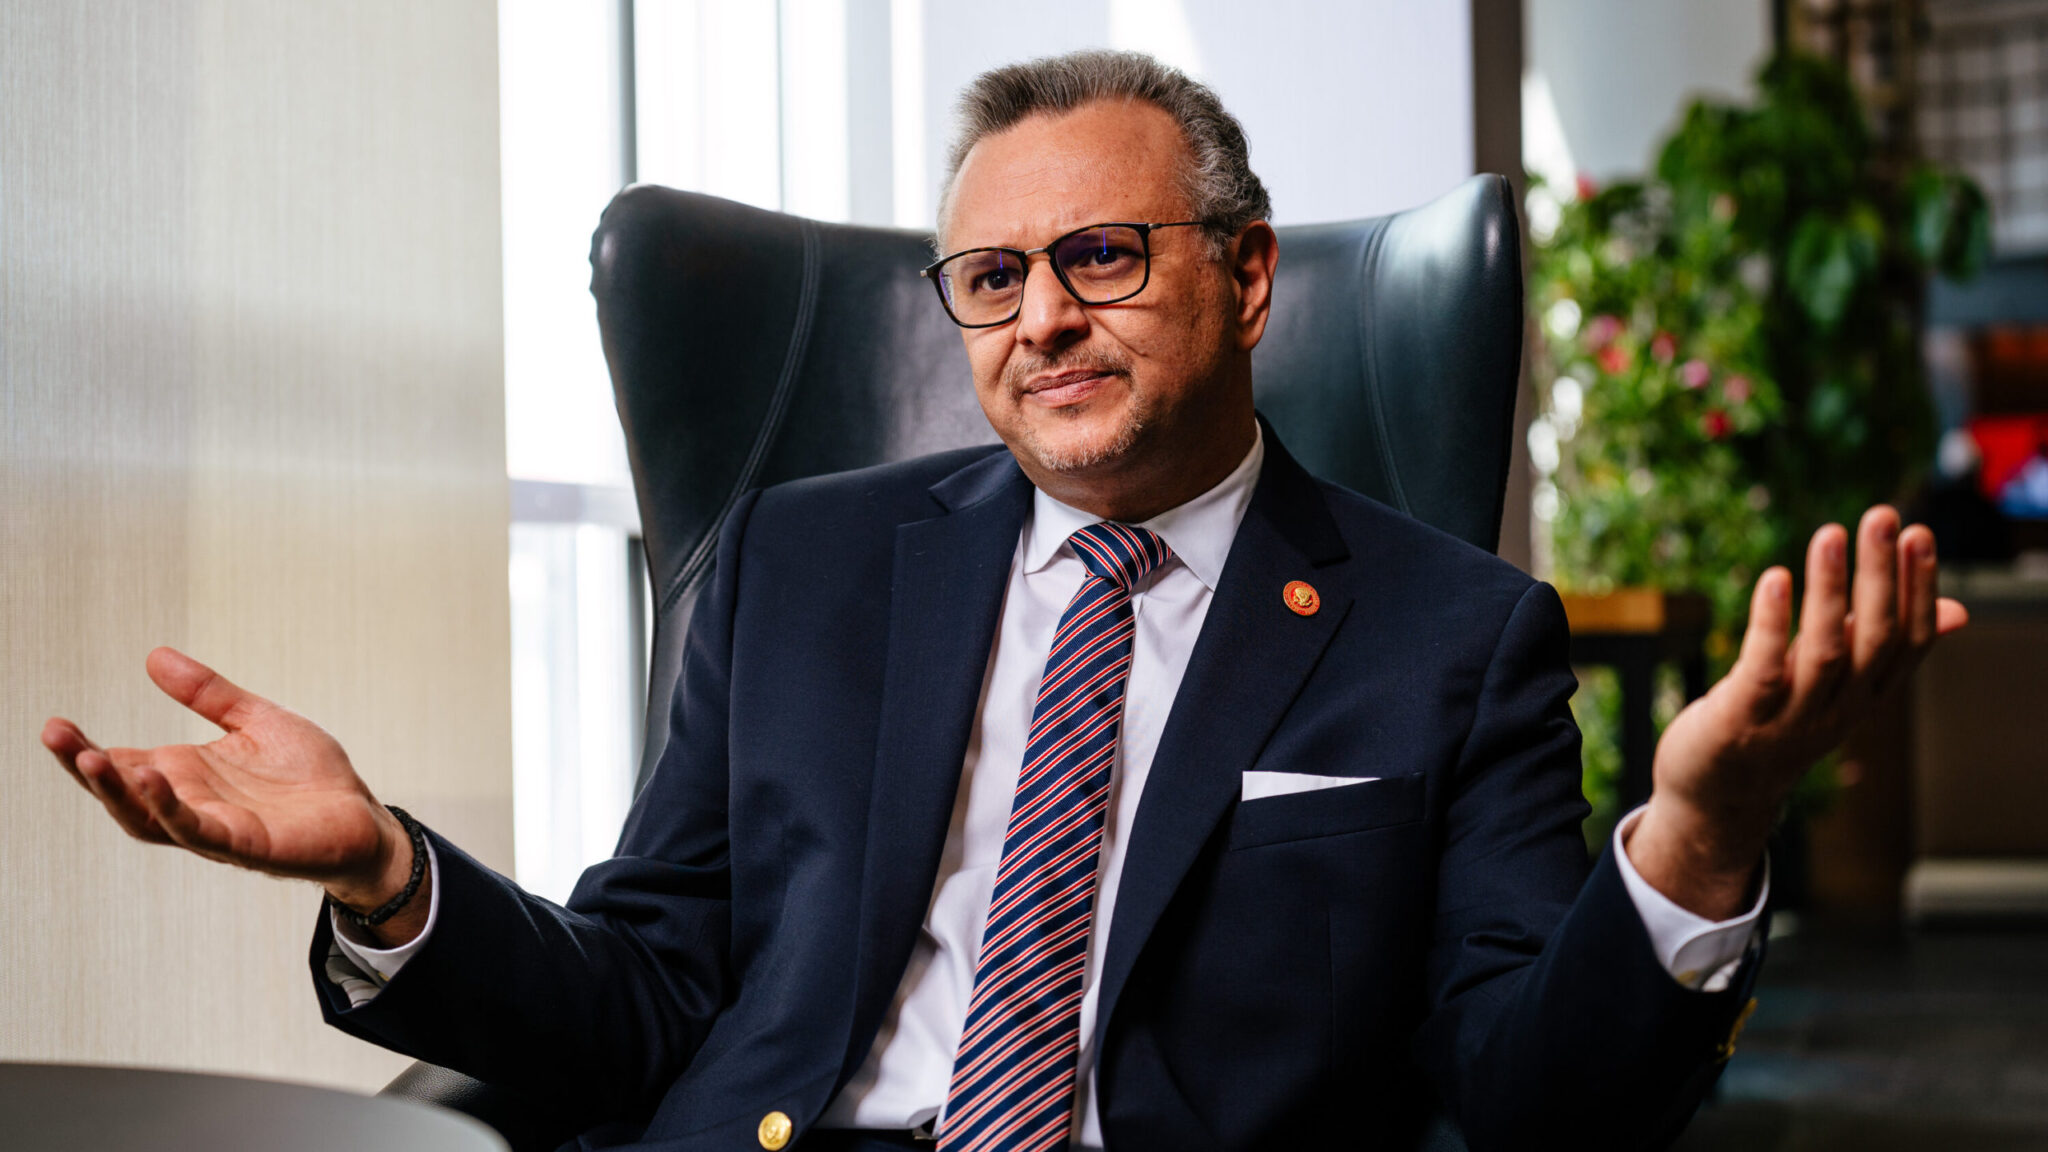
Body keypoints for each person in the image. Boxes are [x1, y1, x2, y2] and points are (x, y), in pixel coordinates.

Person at [42, 51, 1966, 1152]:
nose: (1040, 317)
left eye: (1102, 256)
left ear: (1249, 279)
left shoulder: (1450, 637)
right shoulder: (798, 566)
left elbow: (1538, 1105)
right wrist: (390, 871)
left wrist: (1700, 836)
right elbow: (648, 1000)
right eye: (991, 278)